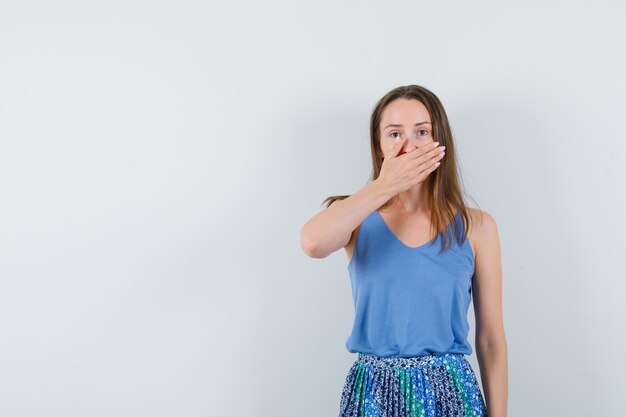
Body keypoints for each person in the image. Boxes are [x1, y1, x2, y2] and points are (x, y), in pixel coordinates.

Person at [300, 85, 508, 417]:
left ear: (440, 142)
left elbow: (490, 339)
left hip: (451, 392)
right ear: (379, 146)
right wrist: (385, 185)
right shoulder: (353, 217)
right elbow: (312, 243)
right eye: (394, 134)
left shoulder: (477, 226)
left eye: (421, 132)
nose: (408, 146)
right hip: (373, 393)